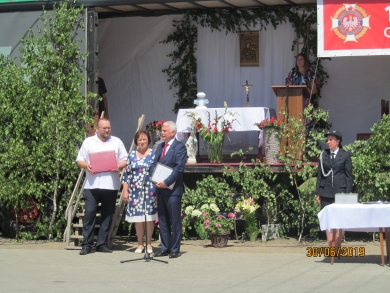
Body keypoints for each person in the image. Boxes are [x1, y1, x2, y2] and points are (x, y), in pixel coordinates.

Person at [76, 118, 127, 255]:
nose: (107, 130)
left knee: (107, 215)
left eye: (109, 128)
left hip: (111, 185)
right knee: (90, 213)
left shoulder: (116, 142)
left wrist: (118, 166)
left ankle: (101, 244)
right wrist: (86, 166)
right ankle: (86, 244)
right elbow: (79, 160)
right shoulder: (88, 142)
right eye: (104, 128)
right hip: (92, 185)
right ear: (97, 129)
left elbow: (124, 160)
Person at [150, 121, 187, 258]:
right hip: (160, 189)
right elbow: (154, 164)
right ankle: (165, 247)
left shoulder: (180, 147)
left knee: (174, 220)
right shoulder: (160, 147)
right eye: (161, 130)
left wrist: (166, 182)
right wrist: (155, 179)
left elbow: (179, 168)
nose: (162, 133)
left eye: (164, 131)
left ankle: (175, 249)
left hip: (172, 190)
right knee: (163, 220)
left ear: (173, 132)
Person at [122, 130, 157, 254]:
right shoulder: (131, 155)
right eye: (140, 139)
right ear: (136, 141)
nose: (142, 142)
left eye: (144, 139)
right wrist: (125, 191)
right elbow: (126, 175)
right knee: (138, 219)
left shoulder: (154, 153)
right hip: (135, 191)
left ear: (148, 140)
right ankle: (140, 244)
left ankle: (148, 243)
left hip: (150, 190)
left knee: (149, 218)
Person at [316, 130, 353, 247]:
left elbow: (349, 176)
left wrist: (347, 194)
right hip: (326, 192)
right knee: (328, 220)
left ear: (338, 141)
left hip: (340, 192)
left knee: (338, 220)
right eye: (327, 140)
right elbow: (320, 175)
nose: (328, 142)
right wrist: (318, 193)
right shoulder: (324, 154)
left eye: (331, 139)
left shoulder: (345, 155)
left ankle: (337, 247)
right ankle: (331, 247)